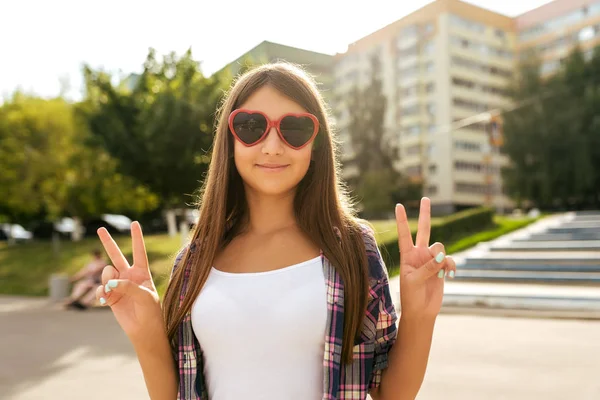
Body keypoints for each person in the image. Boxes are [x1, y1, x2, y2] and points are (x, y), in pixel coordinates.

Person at [93, 62, 457, 400]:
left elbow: (389, 394)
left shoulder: (352, 249)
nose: (271, 146)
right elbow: (173, 393)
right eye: (251, 127)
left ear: (315, 145)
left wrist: (421, 317)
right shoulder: (195, 259)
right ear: (230, 141)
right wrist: (145, 332)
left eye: (294, 129)